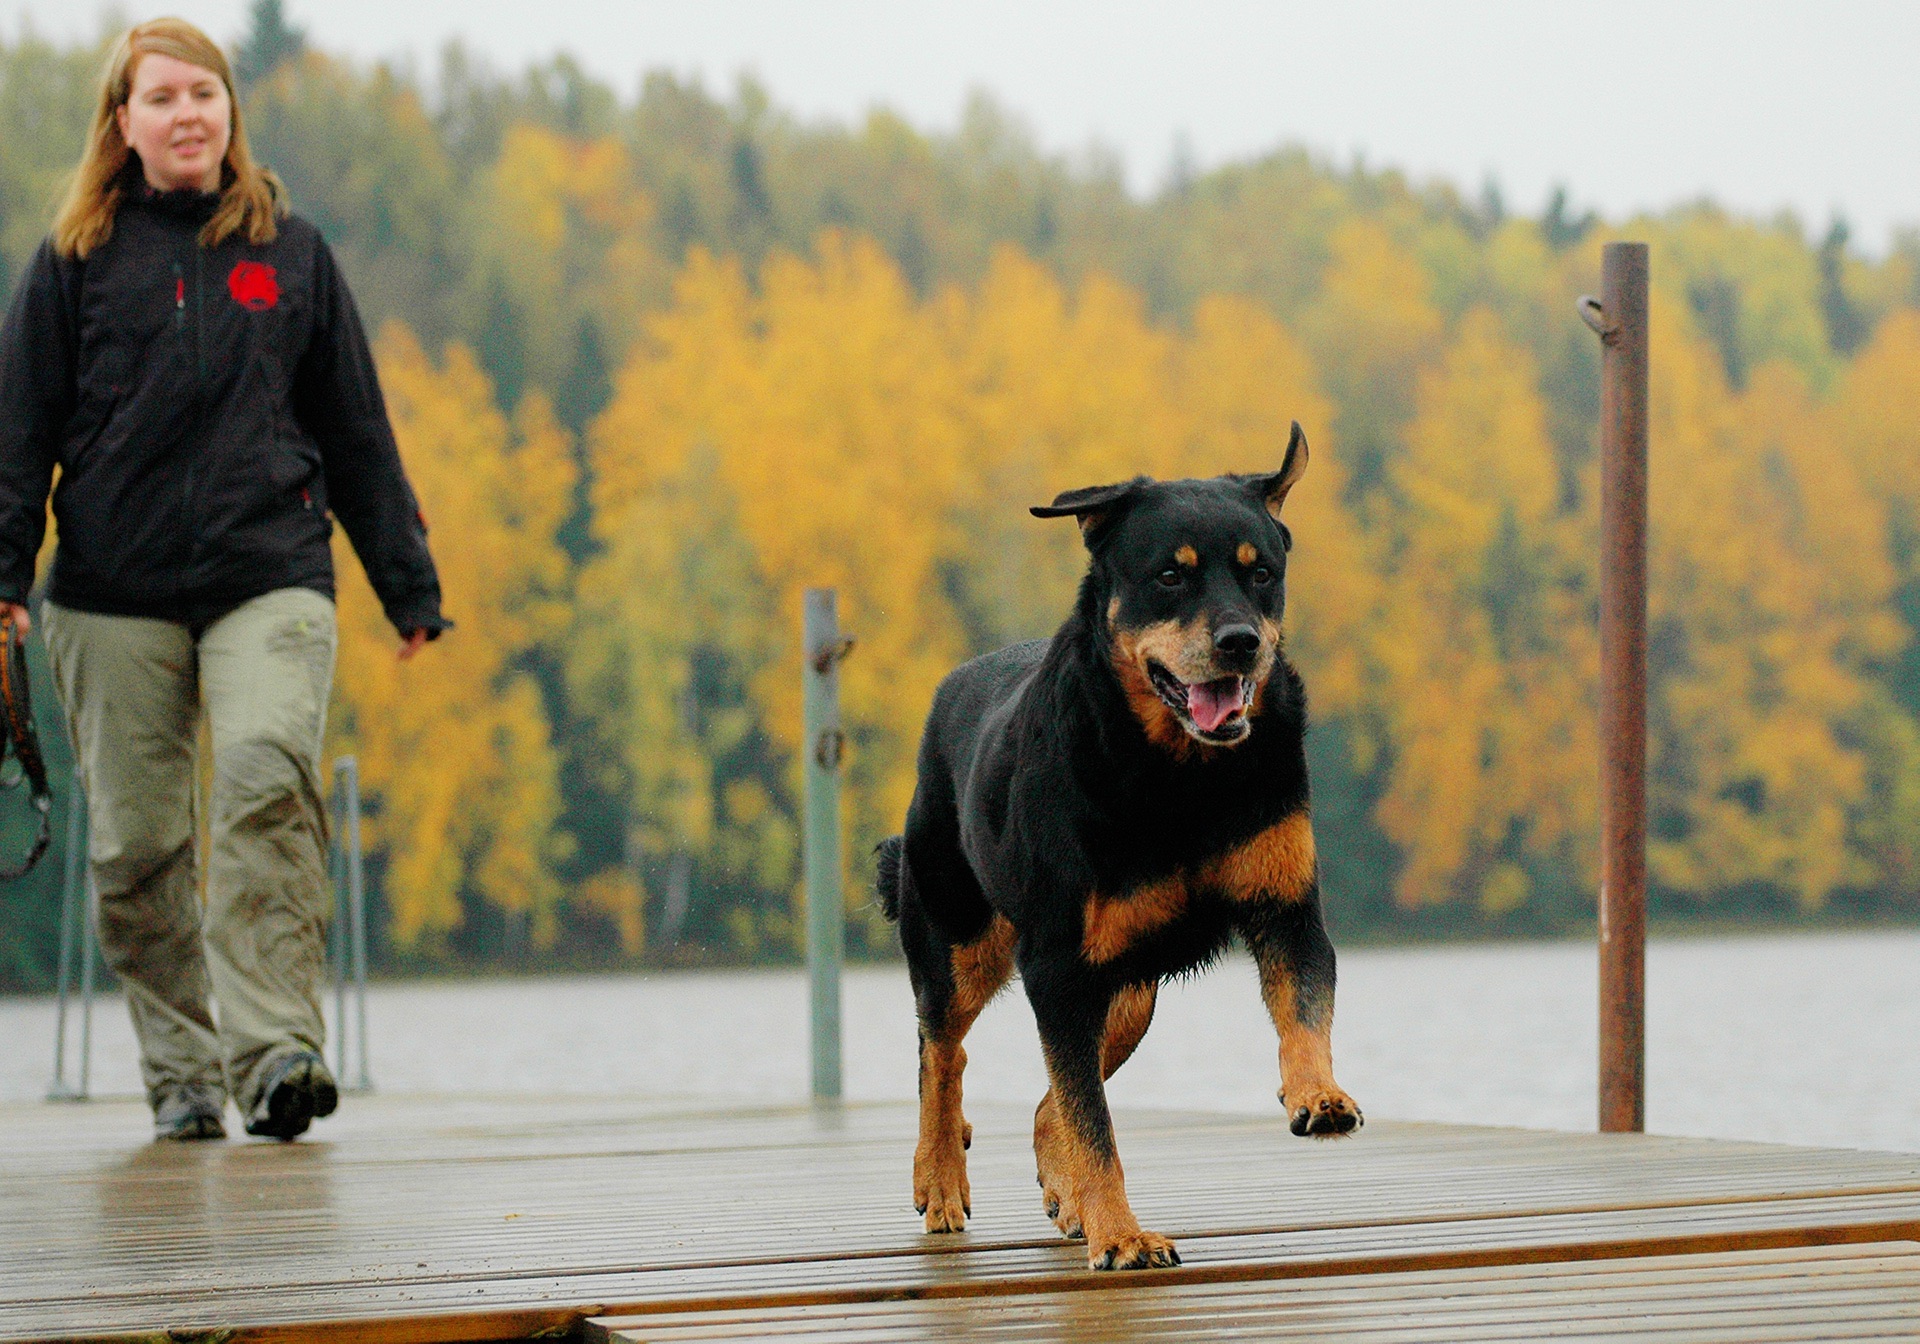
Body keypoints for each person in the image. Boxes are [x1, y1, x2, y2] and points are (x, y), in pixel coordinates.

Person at [0, 19, 448, 1141]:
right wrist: (5, 575)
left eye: (206, 93)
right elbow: (18, 433)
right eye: (162, 98)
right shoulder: (72, 262)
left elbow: (357, 429)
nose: (188, 113)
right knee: (137, 844)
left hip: (270, 573)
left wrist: (408, 586)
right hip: (110, 590)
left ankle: (277, 1054)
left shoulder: (292, 251)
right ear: (123, 124)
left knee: (263, 780)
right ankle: (184, 1074)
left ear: (231, 113)